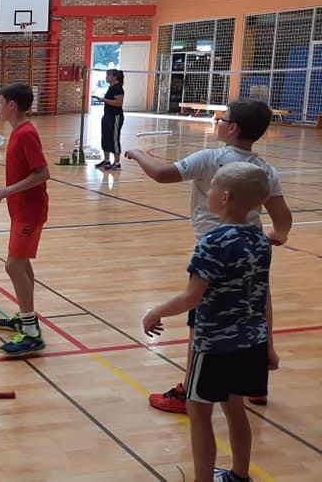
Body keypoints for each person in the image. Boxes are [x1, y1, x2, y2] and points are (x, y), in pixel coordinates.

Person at [126, 98, 292, 414]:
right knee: (257, 305)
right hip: (252, 247)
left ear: (232, 128)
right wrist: (278, 235)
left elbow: (162, 174)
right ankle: (255, 381)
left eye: (222, 119)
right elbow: (282, 216)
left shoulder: (211, 159)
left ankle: (189, 391)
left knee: (202, 315)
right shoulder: (265, 170)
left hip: (216, 250)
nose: (218, 123)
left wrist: (137, 153)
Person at [142, 162, 273, 482]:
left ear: (224, 197)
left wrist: (156, 312)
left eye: (212, 187)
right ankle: (239, 476)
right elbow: (262, 296)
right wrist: (268, 344)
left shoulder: (213, 242)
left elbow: (191, 298)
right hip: (252, 343)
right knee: (235, 408)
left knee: (199, 411)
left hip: (215, 345)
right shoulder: (260, 241)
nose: (208, 191)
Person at [0, 84, 50, 355]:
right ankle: (26, 318)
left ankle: (31, 332)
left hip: (30, 211)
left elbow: (42, 173)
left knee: (13, 266)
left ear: (12, 105)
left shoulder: (26, 133)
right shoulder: (18, 132)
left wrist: (6, 191)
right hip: (20, 209)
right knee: (22, 265)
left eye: (0, 103)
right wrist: (2, 195)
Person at [93, 68, 125, 170]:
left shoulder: (118, 88)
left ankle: (117, 163)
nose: (106, 77)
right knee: (105, 137)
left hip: (115, 117)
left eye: (108, 75)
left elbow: (118, 103)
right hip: (107, 116)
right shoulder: (111, 88)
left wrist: (104, 100)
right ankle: (107, 161)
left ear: (115, 77)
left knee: (114, 139)